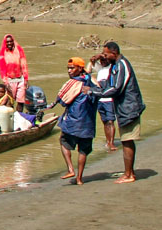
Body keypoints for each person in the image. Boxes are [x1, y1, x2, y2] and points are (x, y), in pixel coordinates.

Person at [87, 41, 146, 184]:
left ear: (114, 53)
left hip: (129, 108)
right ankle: (129, 172)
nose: (104, 56)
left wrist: (93, 92)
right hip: (124, 108)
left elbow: (116, 88)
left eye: (106, 54)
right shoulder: (115, 65)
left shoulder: (122, 65)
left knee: (126, 141)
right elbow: (108, 85)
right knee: (127, 140)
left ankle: (128, 175)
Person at [53, 58, 98, 185]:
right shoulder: (92, 82)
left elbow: (62, 100)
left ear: (79, 68)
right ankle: (79, 178)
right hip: (88, 123)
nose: (69, 71)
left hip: (73, 121)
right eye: (68, 68)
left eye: (72, 68)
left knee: (63, 141)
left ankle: (70, 169)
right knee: (83, 150)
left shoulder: (73, 83)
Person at [92, 52, 118, 152]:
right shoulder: (100, 68)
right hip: (100, 99)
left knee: (110, 121)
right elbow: (92, 61)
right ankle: (108, 141)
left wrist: (103, 56)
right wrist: (98, 56)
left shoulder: (112, 68)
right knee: (105, 121)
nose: (103, 62)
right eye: (101, 61)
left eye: (105, 60)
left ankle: (111, 143)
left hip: (109, 99)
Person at [0, 34, 29, 110]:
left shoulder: (19, 50)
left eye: (11, 41)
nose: (9, 43)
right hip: (10, 80)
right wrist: (6, 82)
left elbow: (24, 64)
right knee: (10, 101)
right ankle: (10, 117)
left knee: (21, 101)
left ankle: (19, 117)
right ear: (5, 43)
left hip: (20, 79)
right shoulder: (3, 53)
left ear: (13, 41)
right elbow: (2, 69)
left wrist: (26, 79)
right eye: (7, 42)